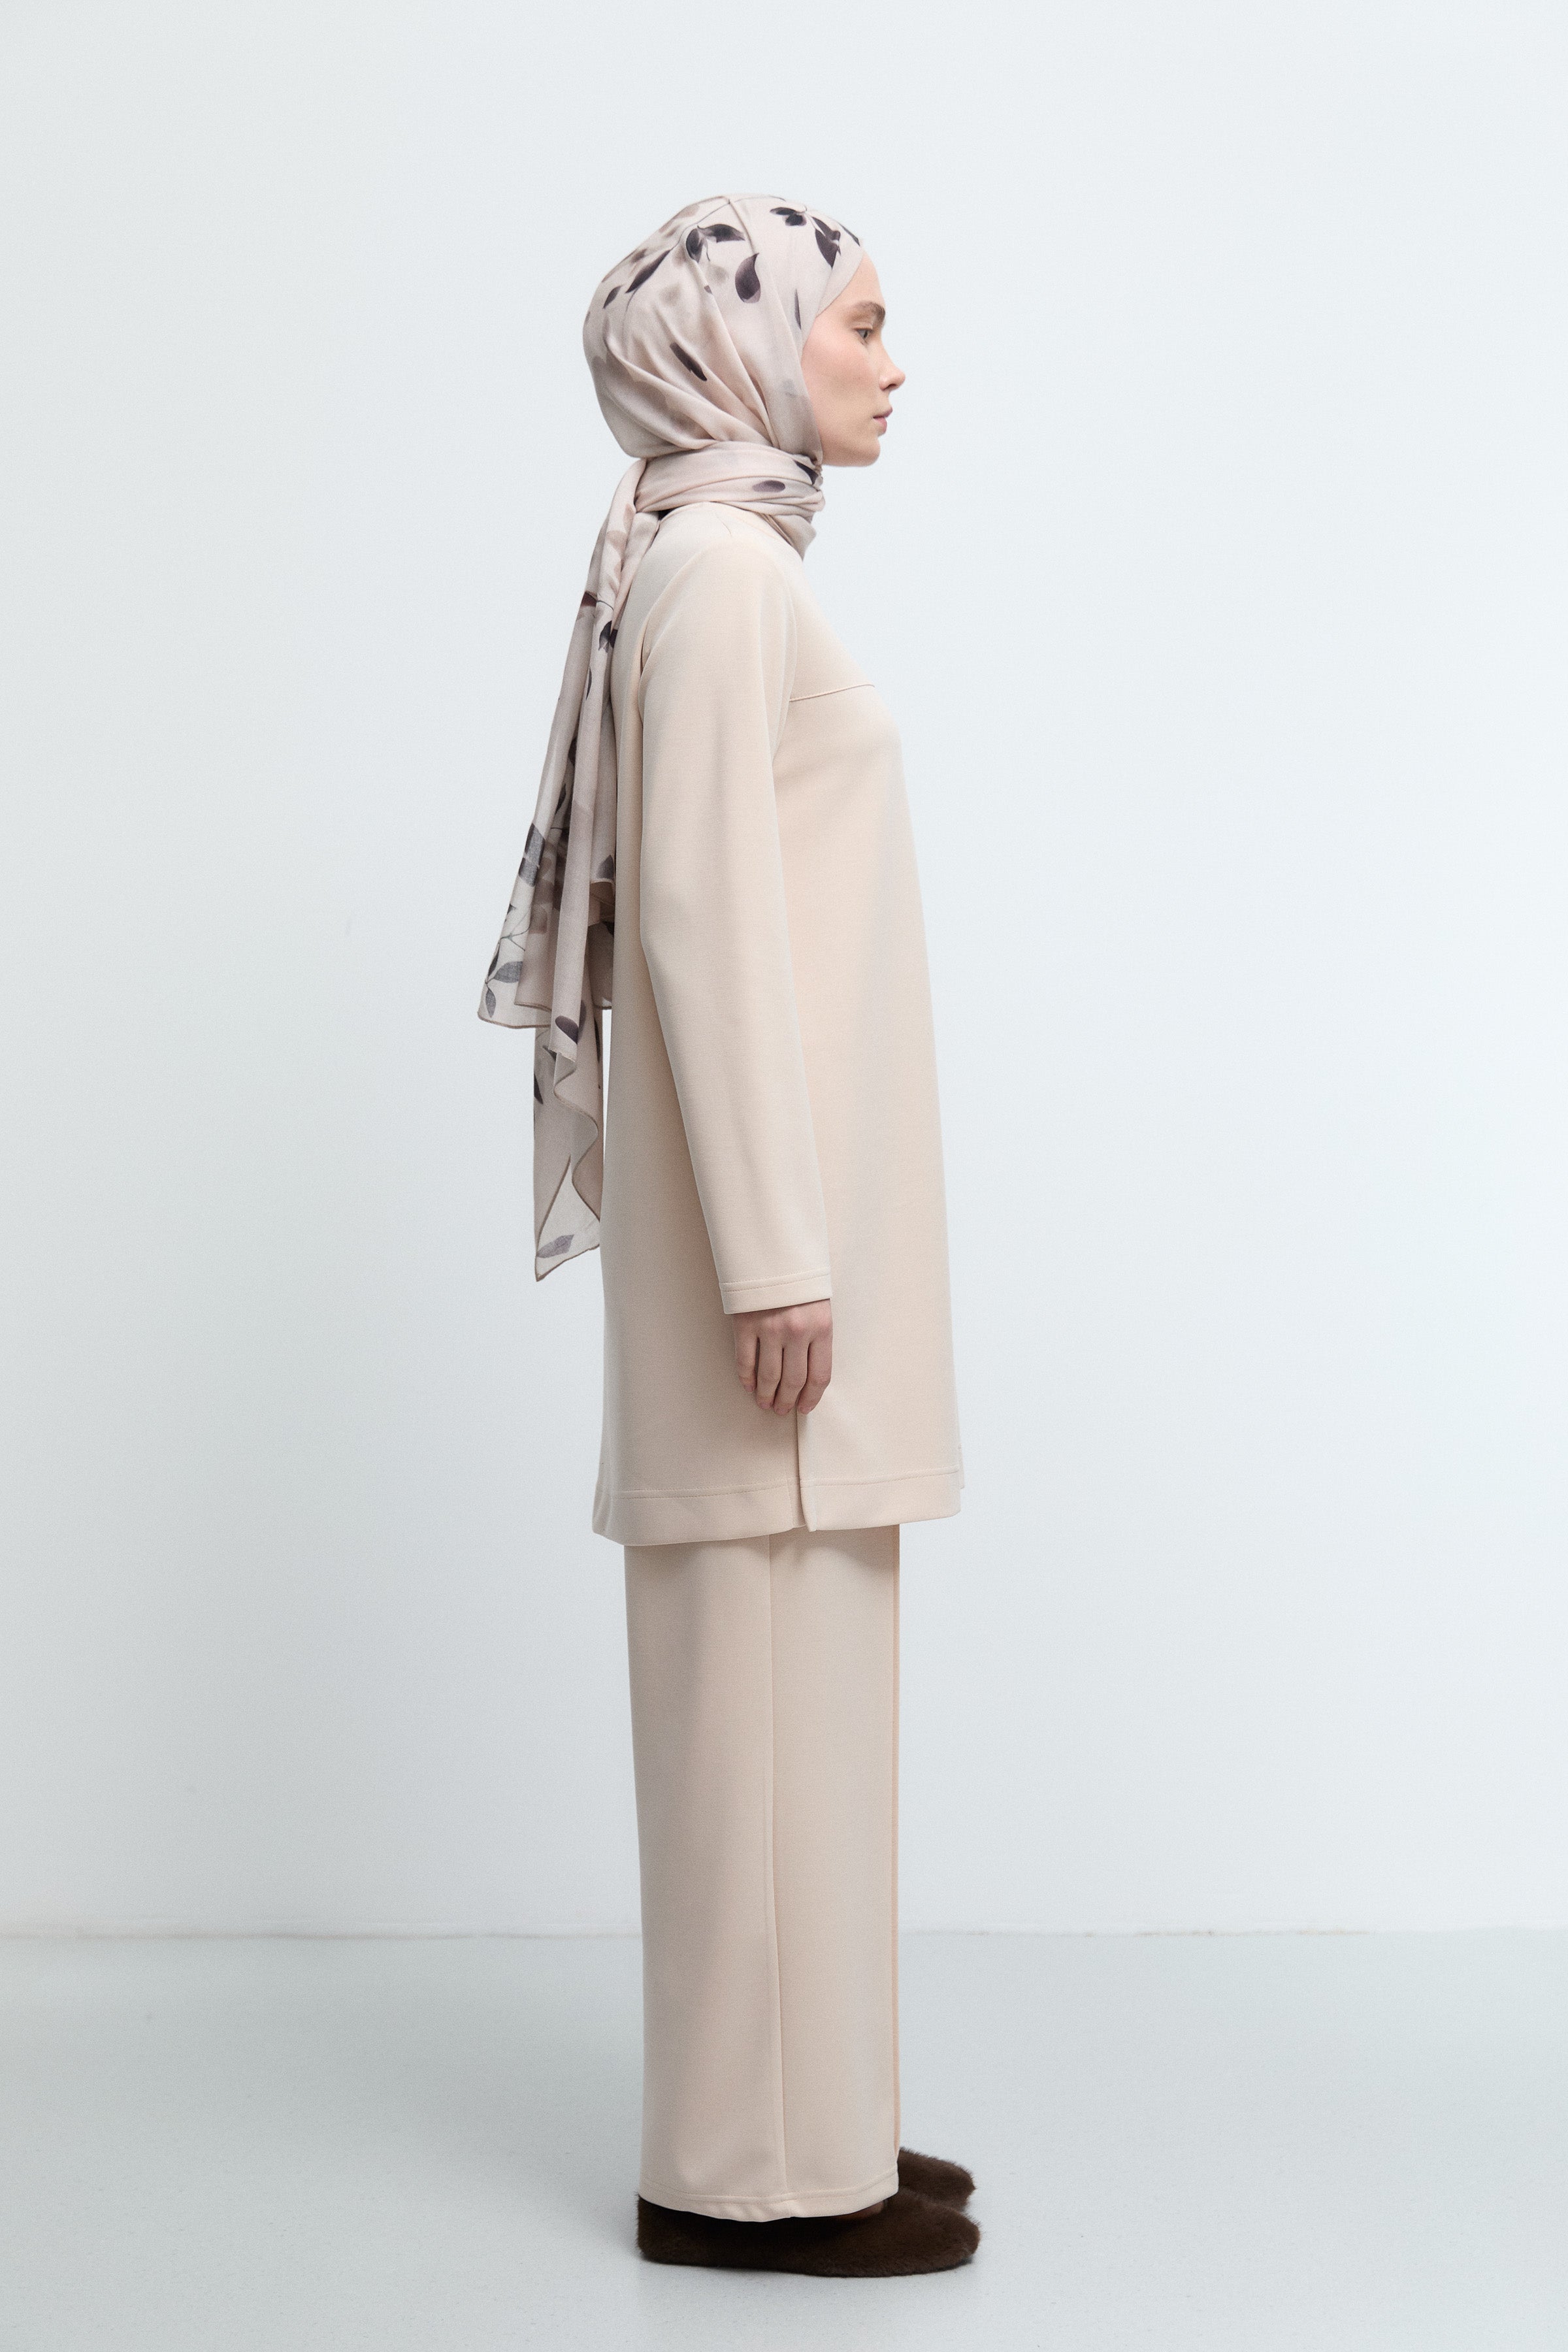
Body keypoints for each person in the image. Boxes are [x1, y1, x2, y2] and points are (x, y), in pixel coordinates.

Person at [480, 194, 976, 2278]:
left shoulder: (722, 561)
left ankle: (821, 2130)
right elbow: (695, 913)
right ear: (745, 346)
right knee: (754, 1721)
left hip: (803, 1251)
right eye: (858, 323)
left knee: (810, 1705)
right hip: (775, 1271)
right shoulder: (716, 573)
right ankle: (742, 2180)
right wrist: (775, 1252)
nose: (891, 361)